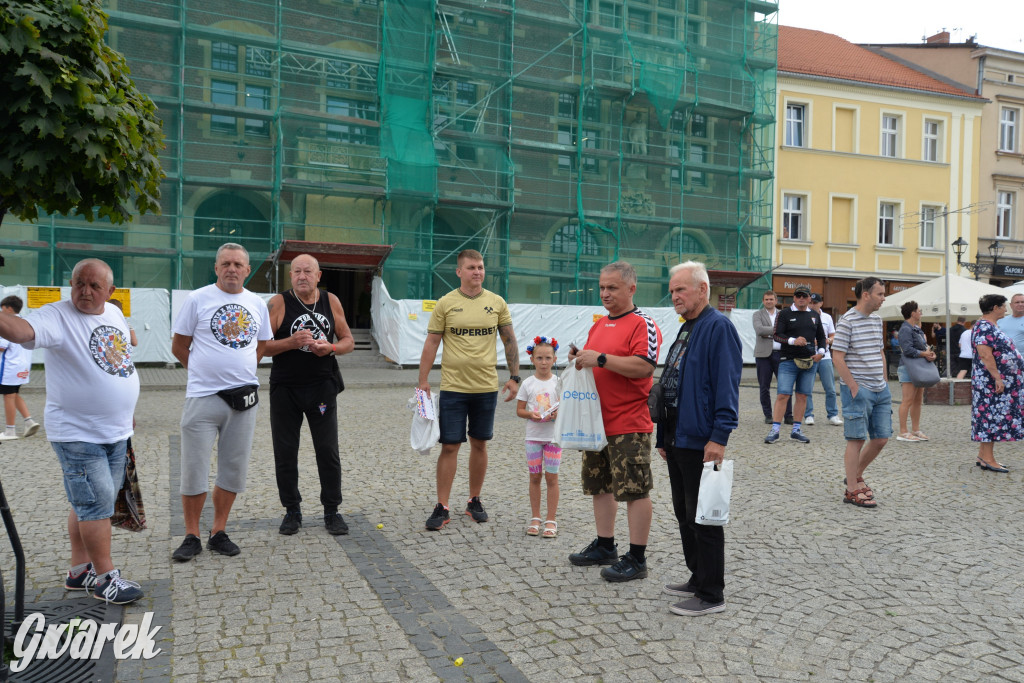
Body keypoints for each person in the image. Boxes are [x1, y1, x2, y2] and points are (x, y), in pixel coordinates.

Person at [0, 259, 143, 603]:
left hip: (114, 430)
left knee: (92, 501)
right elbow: (20, 332)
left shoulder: (113, 314)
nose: (86, 291)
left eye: (95, 286)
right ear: (70, 284)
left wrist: (125, 411)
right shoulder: (56, 315)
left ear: (110, 291)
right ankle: (106, 578)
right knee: (95, 505)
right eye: (80, 283)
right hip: (79, 434)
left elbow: (119, 363)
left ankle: (79, 571)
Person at [170, 243, 272, 561]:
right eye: (225, 263)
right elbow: (179, 346)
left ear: (247, 269)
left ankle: (218, 531)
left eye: (238, 264)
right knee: (194, 470)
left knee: (232, 469)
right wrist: (203, 373)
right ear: (216, 268)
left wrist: (242, 371)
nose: (231, 268)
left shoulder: (257, 303)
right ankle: (190, 535)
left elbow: (262, 344)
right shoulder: (197, 299)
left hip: (243, 400)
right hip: (203, 398)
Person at [567, 261, 662, 582]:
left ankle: (637, 558)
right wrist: (582, 358)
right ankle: (605, 545)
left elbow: (645, 367)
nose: (605, 293)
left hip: (629, 423)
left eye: (612, 288)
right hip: (596, 423)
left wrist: (601, 359)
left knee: (634, 491)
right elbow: (598, 362)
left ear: (631, 288)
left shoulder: (642, 323)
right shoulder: (600, 324)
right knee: (600, 486)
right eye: (602, 287)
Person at [656, 262, 740, 616]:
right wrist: (663, 434)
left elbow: (726, 386)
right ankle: (697, 575)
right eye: (673, 290)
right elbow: (670, 383)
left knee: (703, 517)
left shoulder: (717, 327)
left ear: (702, 290)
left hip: (701, 439)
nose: (675, 296)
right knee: (683, 513)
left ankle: (711, 593)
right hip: (677, 437)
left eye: (681, 290)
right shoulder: (687, 328)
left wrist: (719, 437)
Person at [418, 249, 519, 530]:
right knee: (450, 445)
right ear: (459, 271)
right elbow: (431, 343)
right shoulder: (446, 303)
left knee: (479, 443)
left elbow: (509, 339)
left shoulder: (496, 302)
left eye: (481, 267)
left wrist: (515, 377)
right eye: (472, 267)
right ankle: (442, 505)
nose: (478, 272)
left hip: (486, 387)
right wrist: (423, 380)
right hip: (453, 387)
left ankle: (474, 499)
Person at [264, 254, 355, 536]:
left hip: (321, 388)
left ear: (319, 275)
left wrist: (331, 348)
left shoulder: (331, 301)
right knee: (286, 451)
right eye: (297, 272)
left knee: (327, 451)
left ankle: (332, 510)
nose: (302, 276)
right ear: (290, 276)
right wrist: (291, 342)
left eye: (308, 271)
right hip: (285, 388)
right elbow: (262, 346)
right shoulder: (278, 303)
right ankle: (292, 510)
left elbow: (348, 341)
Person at [832, 276, 890, 509]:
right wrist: (854, 388)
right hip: (860, 389)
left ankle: (855, 475)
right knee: (856, 439)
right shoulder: (847, 321)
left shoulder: (876, 320)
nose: (883, 299)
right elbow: (838, 356)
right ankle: (852, 489)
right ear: (866, 294)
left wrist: (884, 379)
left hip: (880, 388)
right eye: (880, 294)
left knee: (881, 438)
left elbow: (880, 351)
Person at [764, 286, 825, 444]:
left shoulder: (814, 315)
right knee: (783, 395)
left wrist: (822, 352)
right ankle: (775, 430)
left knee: (803, 395)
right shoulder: (784, 313)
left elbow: (822, 337)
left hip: (809, 362)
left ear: (809, 298)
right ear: (794, 298)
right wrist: (793, 340)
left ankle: (796, 430)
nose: (801, 299)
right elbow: (777, 335)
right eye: (798, 296)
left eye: (804, 296)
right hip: (788, 360)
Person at [971, 294, 1024, 473]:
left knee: (991, 417)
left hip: (994, 381)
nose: (1005, 309)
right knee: (990, 418)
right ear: (995, 308)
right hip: (989, 382)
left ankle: (982, 456)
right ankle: (988, 458)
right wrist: (998, 377)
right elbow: (985, 354)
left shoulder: (991, 325)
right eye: (1003, 306)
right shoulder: (984, 326)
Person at [515, 336, 561, 539]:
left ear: (554, 359)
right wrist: (530, 414)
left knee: (552, 477)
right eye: (539, 358)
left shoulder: (559, 383)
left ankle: (551, 519)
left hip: (553, 438)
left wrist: (557, 414)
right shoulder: (527, 383)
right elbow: (519, 410)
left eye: (548, 358)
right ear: (532, 359)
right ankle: (535, 517)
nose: (544, 362)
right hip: (533, 437)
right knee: (534, 477)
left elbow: (564, 407)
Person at [0, 295, 41, 440]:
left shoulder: (7, 324)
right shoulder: (24, 321)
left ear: (9, 308)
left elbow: (2, 347)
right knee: (14, 394)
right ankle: (29, 421)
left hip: (10, 366)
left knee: (8, 396)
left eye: (2, 309)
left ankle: (10, 430)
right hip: (23, 366)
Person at [896, 301, 936, 443]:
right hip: (908, 367)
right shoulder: (905, 329)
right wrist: (924, 354)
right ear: (912, 313)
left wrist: (930, 354)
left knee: (918, 400)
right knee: (907, 400)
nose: (921, 313)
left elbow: (922, 348)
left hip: (918, 367)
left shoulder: (916, 328)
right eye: (919, 310)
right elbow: (907, 350)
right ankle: (902, 431)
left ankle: (915, 429)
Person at [752, 291, 791, 425]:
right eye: (766, 299)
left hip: (781, 354)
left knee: (785, 386)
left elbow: (788, 330)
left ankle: (788, 415)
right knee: (764, 387)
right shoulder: (757, 314)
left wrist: (769, 332)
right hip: (763, 355)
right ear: (763, 301)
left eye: (771, 299)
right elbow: (759, 330)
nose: (769, 301)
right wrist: (777, 330)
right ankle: (768, 415)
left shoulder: (783, 314)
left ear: (776, 300)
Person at [804, 293, 842, 426]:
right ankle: (808, 414)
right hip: (809, 355)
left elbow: (833, 334)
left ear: (821, 303)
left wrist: (828, 340)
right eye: (811, 302)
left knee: (830, 388)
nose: (813, 304)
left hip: (825, 356)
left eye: (815, 302)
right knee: (807, 388)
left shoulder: (827, 317)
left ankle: (833, 414)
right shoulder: (804, 315)